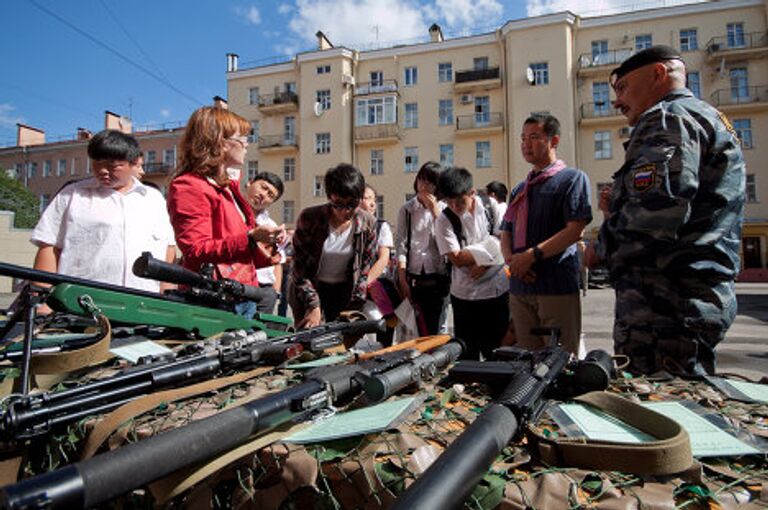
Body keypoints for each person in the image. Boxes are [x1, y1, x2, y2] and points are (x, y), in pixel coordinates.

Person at [586, 46, 746, 375]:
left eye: (623, 87)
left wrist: (598, 250)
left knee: (660, 410)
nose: (617, 101)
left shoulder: (667, 118)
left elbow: (654, 216)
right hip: (689, 298)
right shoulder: (707, 117)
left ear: (658, 74)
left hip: (663, 305)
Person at [167, 107, 283, 317]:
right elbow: (195, 250)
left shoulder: (227, 187)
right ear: (220, 142)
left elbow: (237, 246)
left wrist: (266, 241)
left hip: (240, 292)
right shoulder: (189, 186)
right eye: (242, 139)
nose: (247, 145)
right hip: (213, 297)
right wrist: (250, 237)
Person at [31, 129, 175, 293]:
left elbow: (168, 248)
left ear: (134, 162)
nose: (103, 171)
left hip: (144, 301)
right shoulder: (72, 195)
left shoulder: (153, 198)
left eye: (113, 166)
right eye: (97, 163)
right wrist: (41, 296)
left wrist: (166, 293)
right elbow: (49, 246)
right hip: (82, 300)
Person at [501, 114, 592, 355]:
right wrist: (513, 261)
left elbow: (575, 230)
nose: (525, 144)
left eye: (534, 137)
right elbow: (506, 232)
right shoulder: (521, 189)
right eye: (522, 138)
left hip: (555, 286)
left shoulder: (572, 179)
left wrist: (530, 256)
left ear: (554, 141)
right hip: (521, 287)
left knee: (560, 361)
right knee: (528, 363)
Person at [288, 163, 377, 329]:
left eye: (352, 204)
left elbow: (364, 271)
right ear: (329, 197)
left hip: (344, 291)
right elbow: (299, 269)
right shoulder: (310, 218)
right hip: (309, 288)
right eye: (338, 204)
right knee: (309, 341)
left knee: (340, 341)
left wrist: (355, 307)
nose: (345, 211)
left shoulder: (368, 224)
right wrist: (313, 305)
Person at [435, 166, 509, 360]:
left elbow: (507, 241)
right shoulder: (444, 219)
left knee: (497, 352)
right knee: (468, 355)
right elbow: (457, 258)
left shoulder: (491, 207)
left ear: (472, 192)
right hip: (464, 296)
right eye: (449, 201)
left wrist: (484, 263)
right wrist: (492, 248)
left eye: (460, 200)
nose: (454, 206)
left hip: (496, 292)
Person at [394, 162, 450, 336]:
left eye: (430, 182)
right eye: (421, 180)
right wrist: (402, 280)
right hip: (414, 278)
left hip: (439, 278)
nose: (424, 186)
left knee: (438, 327)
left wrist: (435, 212)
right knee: (415, 328)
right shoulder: (407, 210)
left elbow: (448, 241)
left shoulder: (444, 209)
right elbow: (400, 245)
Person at [245, 172, 287, 314]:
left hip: (264, 290)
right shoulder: (230, 212)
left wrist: (274, 293)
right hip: (236, 284)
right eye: (263, 187)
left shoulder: (271, 225)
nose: (264, 195)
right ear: (250, 183)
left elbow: (277, 262)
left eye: (270, 195)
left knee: (261, 333)